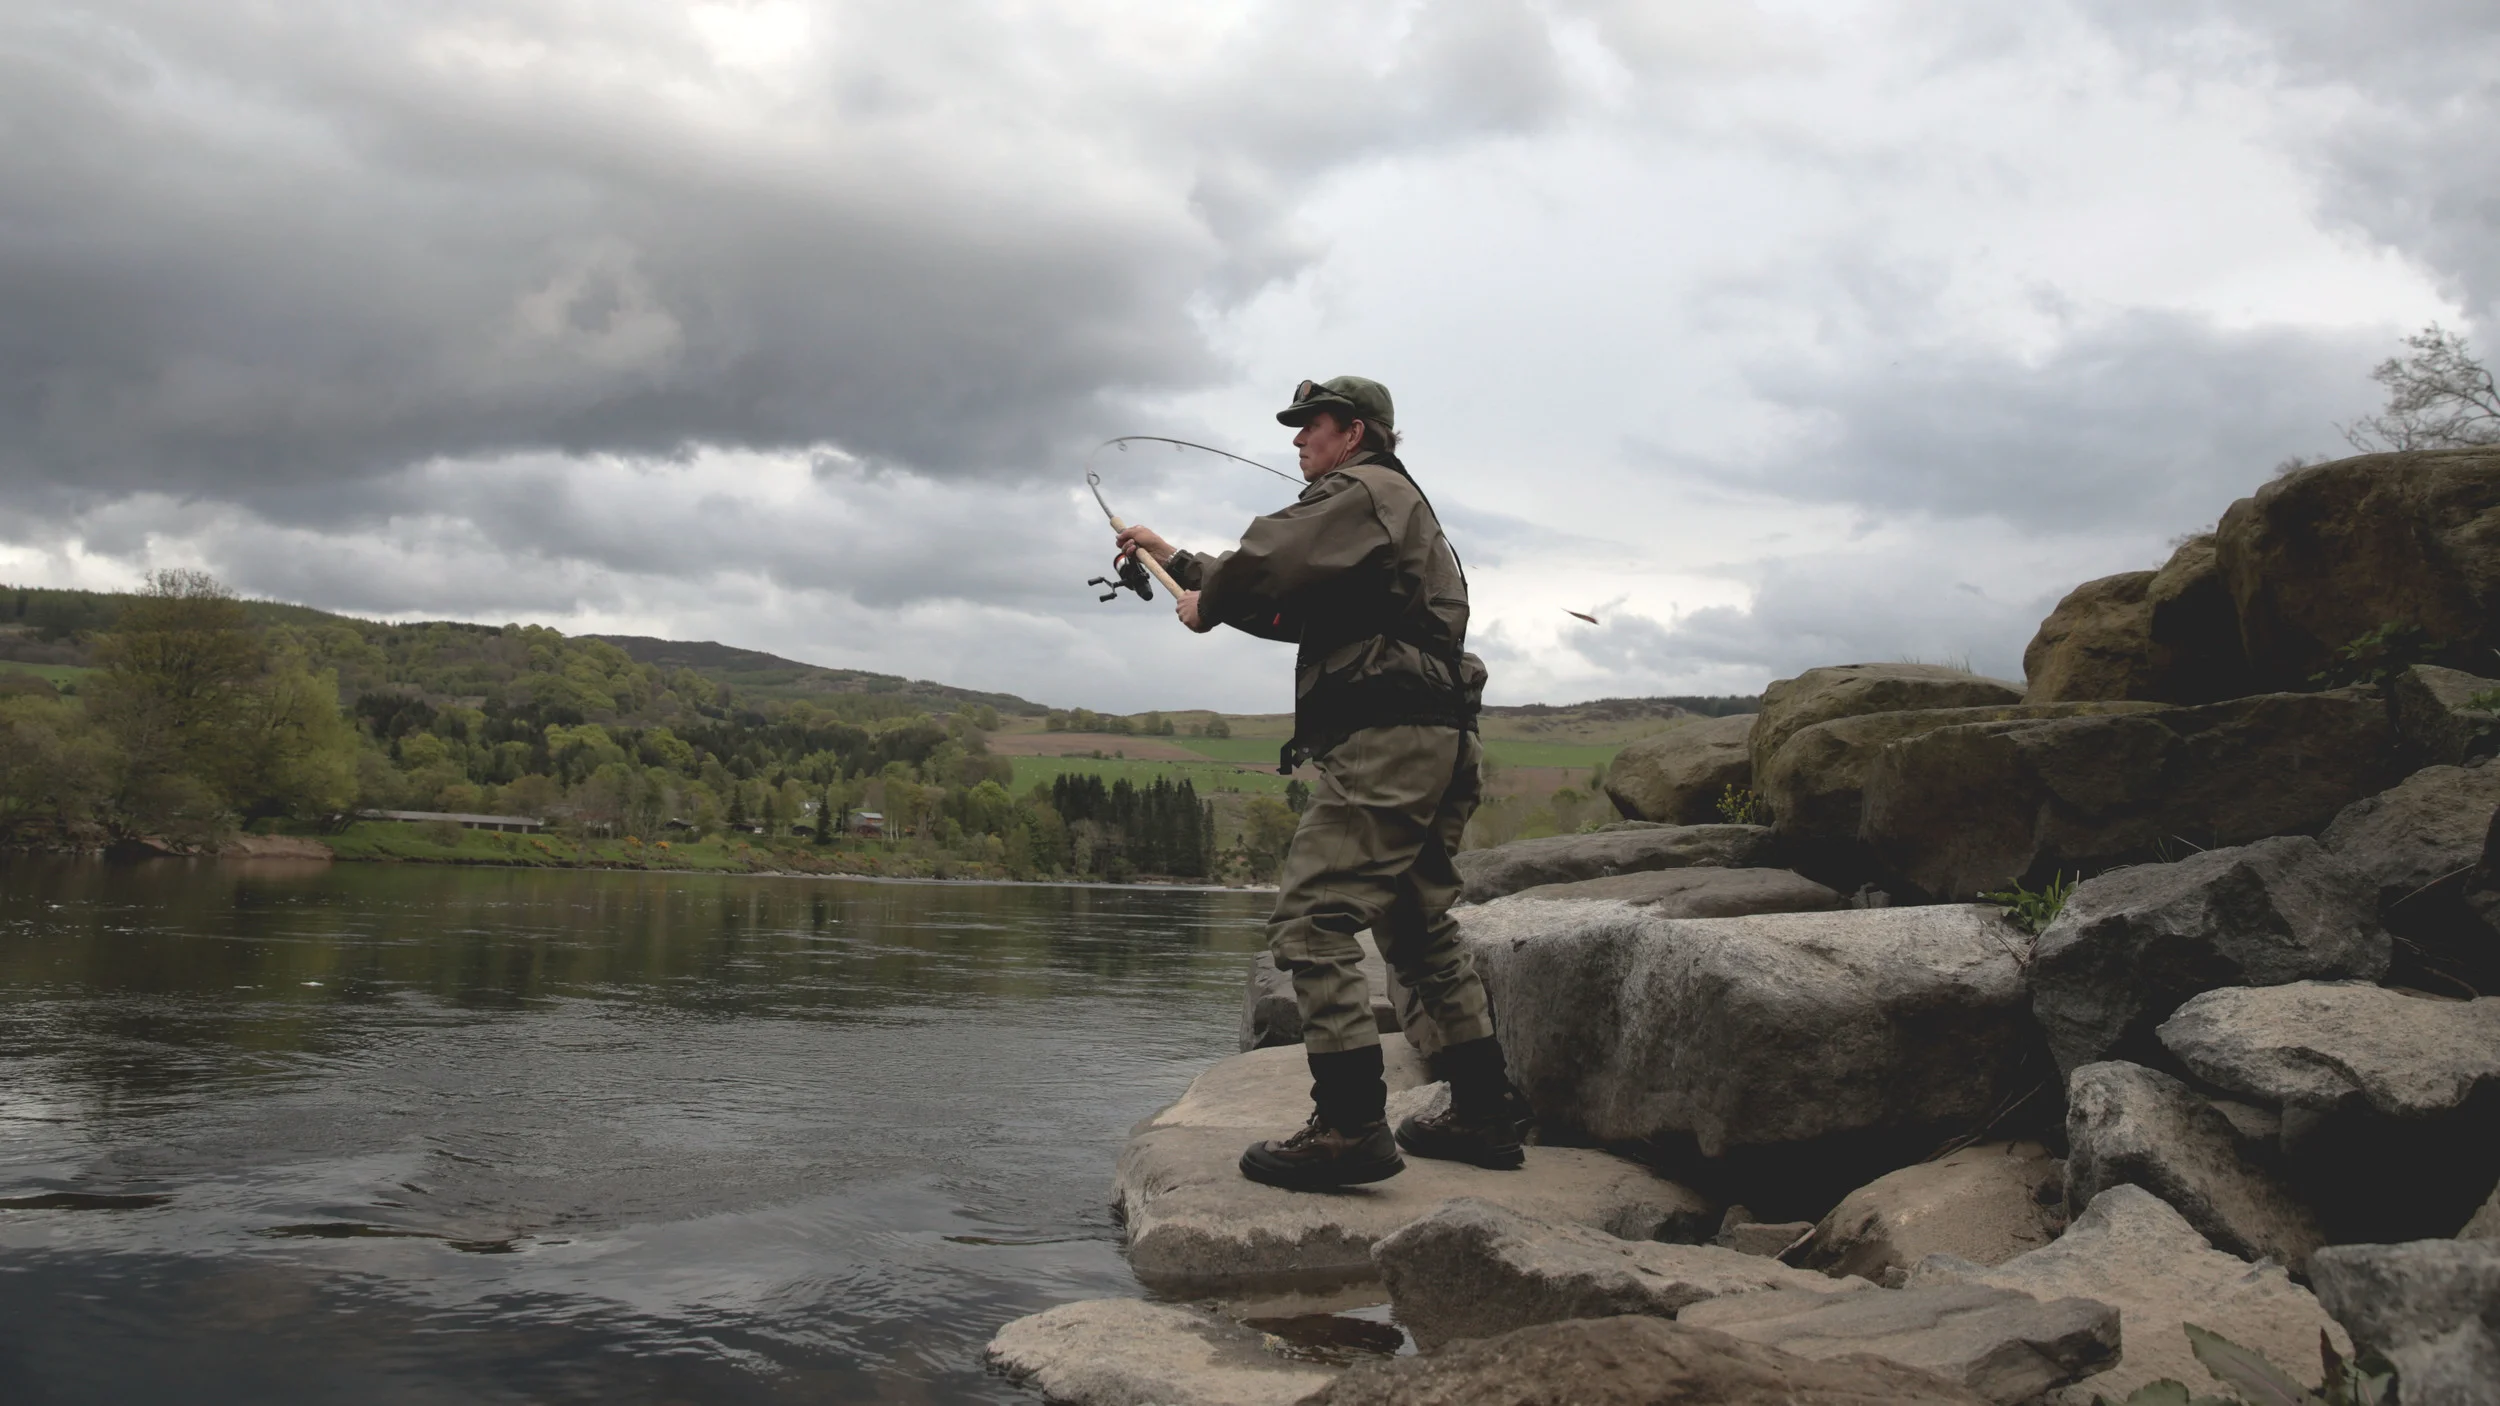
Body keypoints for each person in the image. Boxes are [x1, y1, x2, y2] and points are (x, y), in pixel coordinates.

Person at [1114, 376, 1528, 1191]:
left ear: (1357, 432)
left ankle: (1349, 1128)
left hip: (1388, 744)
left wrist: (1211, 599)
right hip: (1436, 738)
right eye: (1297, 427)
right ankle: (1486, 1110)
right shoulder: (1394, 507)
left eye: (1314, 425)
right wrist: (1177, 563)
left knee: (1311, 924)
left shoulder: (1361, 488)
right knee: (1415, 927)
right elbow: (1298, 609)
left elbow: (1271, 560)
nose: (1299, 440)